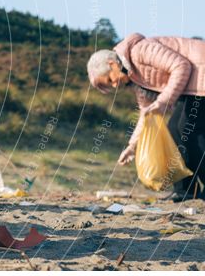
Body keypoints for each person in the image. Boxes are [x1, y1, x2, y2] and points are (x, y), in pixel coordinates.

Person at [88, 33, 205, 202]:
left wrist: (164, 101)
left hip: (201, 78)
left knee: (188, 130)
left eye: (110, 79)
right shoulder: (136, 78)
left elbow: (181, 66)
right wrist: (132, 146)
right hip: (193, 88)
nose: (115, 85)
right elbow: (146, 112)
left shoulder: (139, 51)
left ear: (112, 63)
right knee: (174, 131)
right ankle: (186, 191)